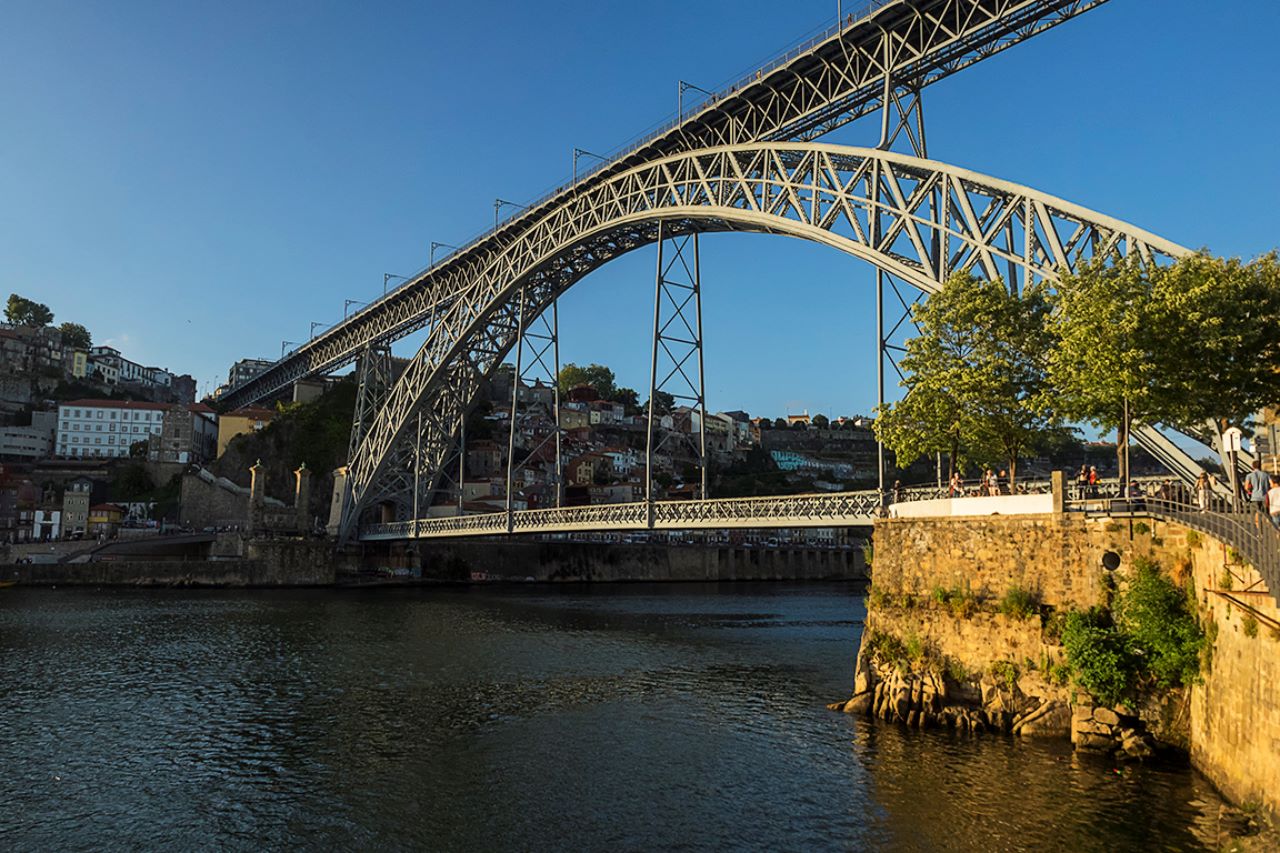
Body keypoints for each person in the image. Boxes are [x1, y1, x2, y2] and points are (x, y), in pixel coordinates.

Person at [1244, 460, 1271, 531]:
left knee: (1256, 515)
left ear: (1252, 467)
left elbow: (1246, 487)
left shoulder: (1249, 476)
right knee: (1266, 514)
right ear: (1260, 466)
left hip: (1254, 497)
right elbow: (1271, 484)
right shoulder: (1266, 475)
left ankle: (1260, 532)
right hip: (1265, 497)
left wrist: (1250, 491)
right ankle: (1269, 529)